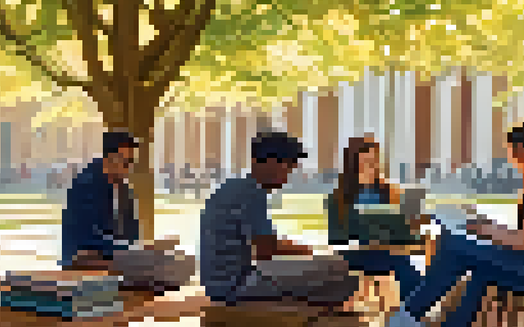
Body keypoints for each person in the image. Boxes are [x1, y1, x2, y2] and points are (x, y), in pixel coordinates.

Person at [362, 119, 524, 327]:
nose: (512, 159)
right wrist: (486, 225)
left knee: (454, 245)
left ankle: (406, 321)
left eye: (514, 152)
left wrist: (482, 228)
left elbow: (522, 241)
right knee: (479, 271)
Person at [200, 131, 360, 306]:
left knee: (326, 270)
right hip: (237, 285)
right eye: (288, 165)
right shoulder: (252, 193)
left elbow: (259, 244)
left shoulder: (235, 187)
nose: (289, 174)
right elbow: (266, 251)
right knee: (338, 268)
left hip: (218, 284)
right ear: (269, 162)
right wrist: (306, 251)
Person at [61, 131, 194, 294]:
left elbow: (132, 231)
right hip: (87, 256)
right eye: (126, 162)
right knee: (162, 268)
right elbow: (90, 238)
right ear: (109, 159)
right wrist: (133, 250)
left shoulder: (123, 188)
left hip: (116, 253)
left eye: (132, 162)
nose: (130, 168)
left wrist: (142, 250)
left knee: (184, 261)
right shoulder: (85, 185)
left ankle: (138, 281)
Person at [328, 136, 423, 296]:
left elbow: (409, 231)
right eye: (365, 162)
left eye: (374, 162)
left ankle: (411, 310)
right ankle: (412, 310)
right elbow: (336, 239)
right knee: (402, 266)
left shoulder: (391, 190)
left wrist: (412, 223)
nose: (371, 167)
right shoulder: (339, 197)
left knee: (403, 263)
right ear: (353, 165)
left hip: (390, 251)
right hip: (357, 253)